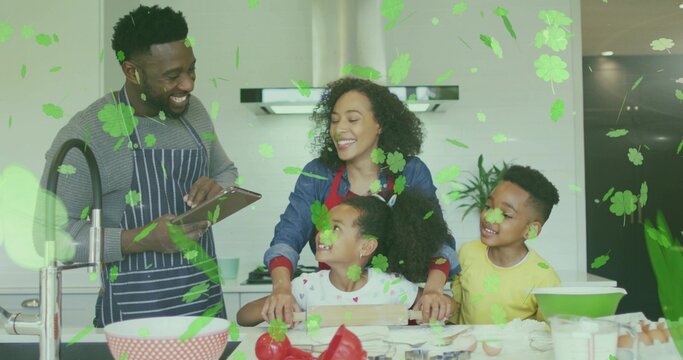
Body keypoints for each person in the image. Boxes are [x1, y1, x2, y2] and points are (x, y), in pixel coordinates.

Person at [38, 5, 238, 327]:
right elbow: (48, 235)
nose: (188, 85)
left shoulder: (194, 113)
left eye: (192, 70)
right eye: (173, 76)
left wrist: (217, 189)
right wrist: (140, 238)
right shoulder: (90, 133)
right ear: (133, 72)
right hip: (132, 323)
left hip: (205, 313)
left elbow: (226, 171)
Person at [262, 77, 458, 326]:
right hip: (333, 308)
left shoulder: (410, 172)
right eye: (334, 121)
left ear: (380, 125)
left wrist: (432, 290)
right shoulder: (318, 174)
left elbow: (439, 242)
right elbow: (287, 238)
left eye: (352, 119)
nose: (339, 129)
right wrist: (281, 289)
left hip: (397, 311)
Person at [238, 188, 451, 326]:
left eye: (336, 228)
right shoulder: (306, 287)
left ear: (367, 246)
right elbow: (243, 317)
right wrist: (275, 305)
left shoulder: (391, 286)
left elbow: (451, 304)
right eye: (322, 226)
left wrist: (436, 306)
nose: (322, 234)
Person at [449, 165, 561, 325]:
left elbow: (547, 338)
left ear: (531, 230)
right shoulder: (467, 252)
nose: (489, 216)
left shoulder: (545, 280)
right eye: (488, 206)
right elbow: (456, 314)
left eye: (505, 214)